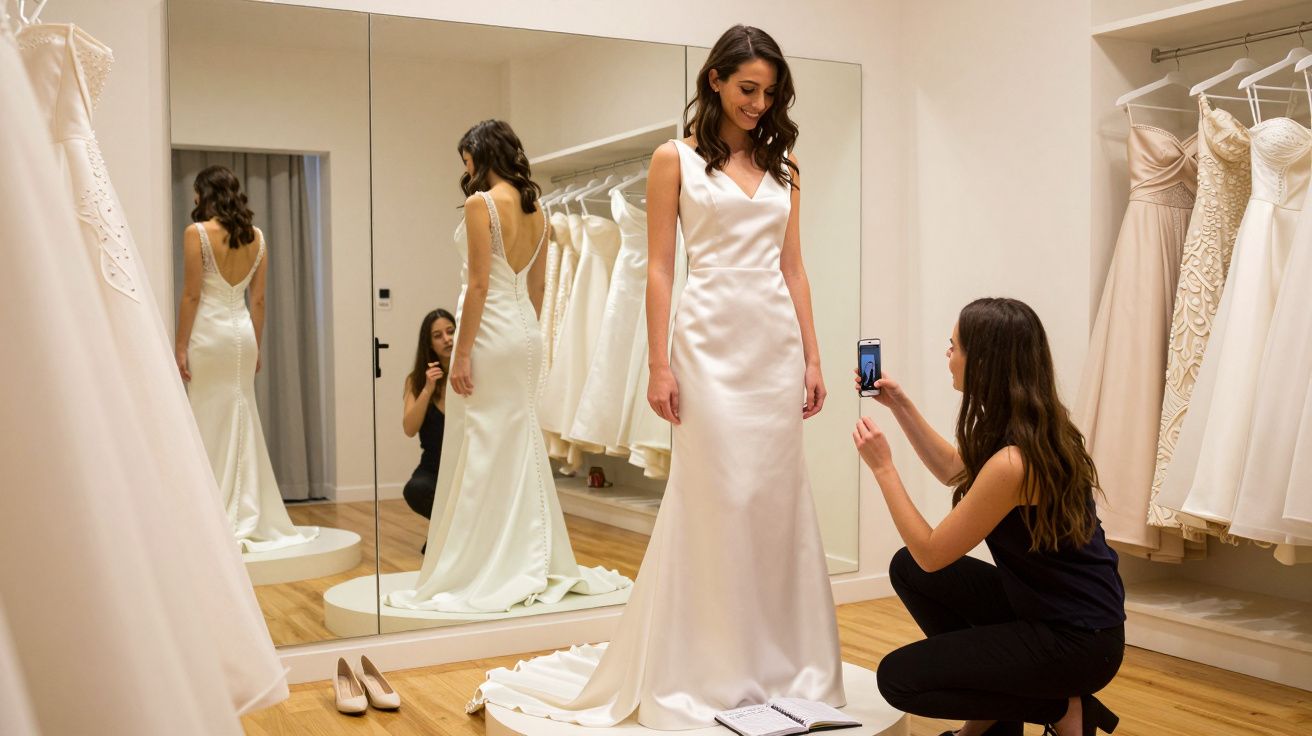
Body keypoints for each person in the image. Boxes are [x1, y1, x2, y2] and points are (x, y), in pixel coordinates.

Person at [468, 24, 844, 728]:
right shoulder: (674, 159)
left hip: (773, 346)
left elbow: (794, 267)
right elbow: (662, 268)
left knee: (775, 503)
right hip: (707, 343)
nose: (759, 104)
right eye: (747, 89)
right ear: (715, 82)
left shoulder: (787, 166)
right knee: (718, 498)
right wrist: (659, 362)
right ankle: (709, 665)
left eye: (769, 93)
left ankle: (784, 664)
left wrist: (815, 357)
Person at [385, 120, 630, 613]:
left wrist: (462, 351)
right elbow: (537, 290)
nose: (466, 170)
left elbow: (477, 285)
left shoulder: (483, 203)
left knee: (482, 443)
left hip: (490, 332)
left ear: (479, 154)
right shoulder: (535, 208)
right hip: (524, 333)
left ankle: (486, 561)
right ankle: (527, 553)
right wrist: (523, 336)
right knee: (516, 441)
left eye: (466, 160)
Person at [851, 298, 1125, 736]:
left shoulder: (1014, 462)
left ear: (984, 362)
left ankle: (1062, 706)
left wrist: (884, 468)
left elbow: (932, 553)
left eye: (954, 346)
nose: (948, 354)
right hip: (1055, 613)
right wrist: (900, 405)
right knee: (906, 570)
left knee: (898, 679)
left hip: (1076, 642)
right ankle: (995, 725)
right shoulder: (1031, 430)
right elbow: (954, 471)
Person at [176, 165, 317, 552]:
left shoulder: (197, 233)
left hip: (209, 334)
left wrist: (180, 345)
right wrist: (255, 343)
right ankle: (244, 507)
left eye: (195, 192)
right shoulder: (257, 238)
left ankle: (211, 509)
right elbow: (258, 300)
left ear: (205, 194)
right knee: (242, 412)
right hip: (241, 335)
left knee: (208, 413)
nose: (193, 200)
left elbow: (190, 295)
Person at [401, 308, 455, 530]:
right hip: (433, 468)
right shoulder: (415, 380)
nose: (447, 339)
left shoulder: (474, 375)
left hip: (467, 466)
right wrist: (427, 389)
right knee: (415, 489)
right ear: (429, 344)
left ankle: (447, 538)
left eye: (451, 331)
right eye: (438, 335)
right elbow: (409, 428)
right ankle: (451, 535)